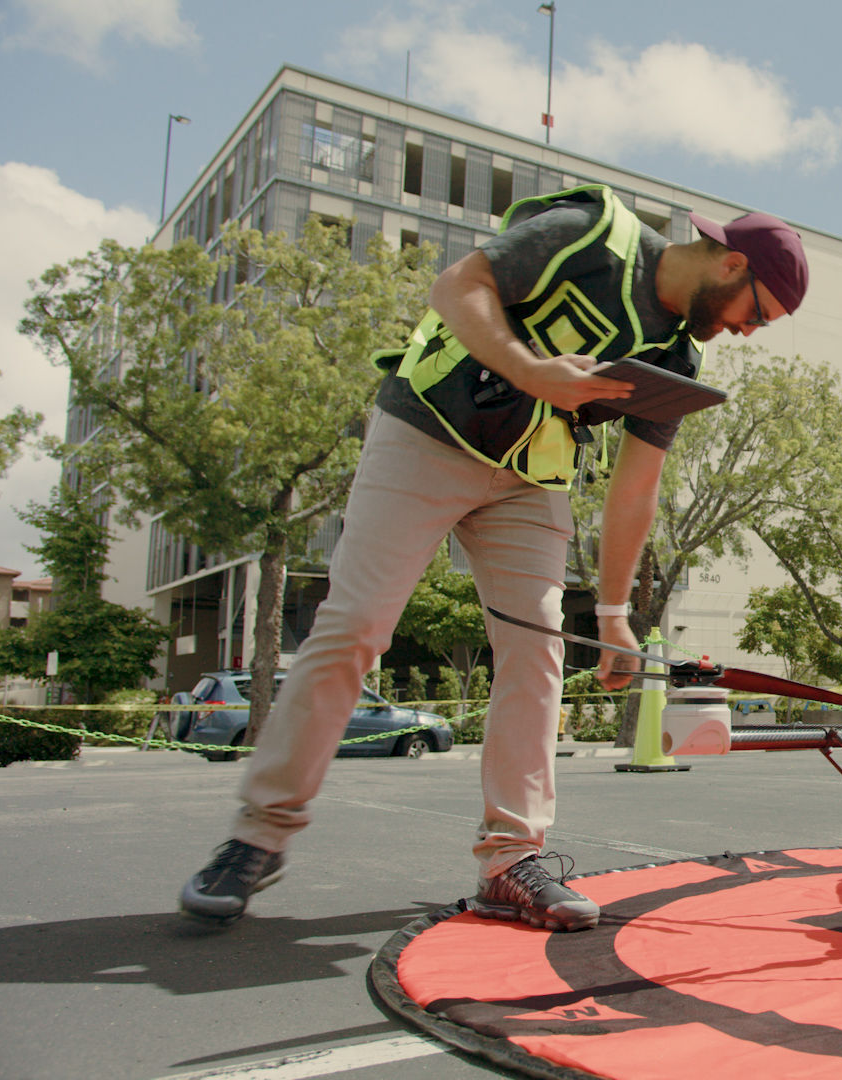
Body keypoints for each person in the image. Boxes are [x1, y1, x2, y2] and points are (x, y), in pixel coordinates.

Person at [178, 186, 808, 929]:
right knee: (354, 628)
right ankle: (258, 835)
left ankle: (511, 861)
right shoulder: (589, 234)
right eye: (757, 312)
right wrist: (532, 370)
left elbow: (635, 489)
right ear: (732, 264)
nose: (750, 331)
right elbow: (458, 286)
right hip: (426, 434)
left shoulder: (674, 354)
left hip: (529, 481)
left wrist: (613, 616)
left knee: (537, 652)